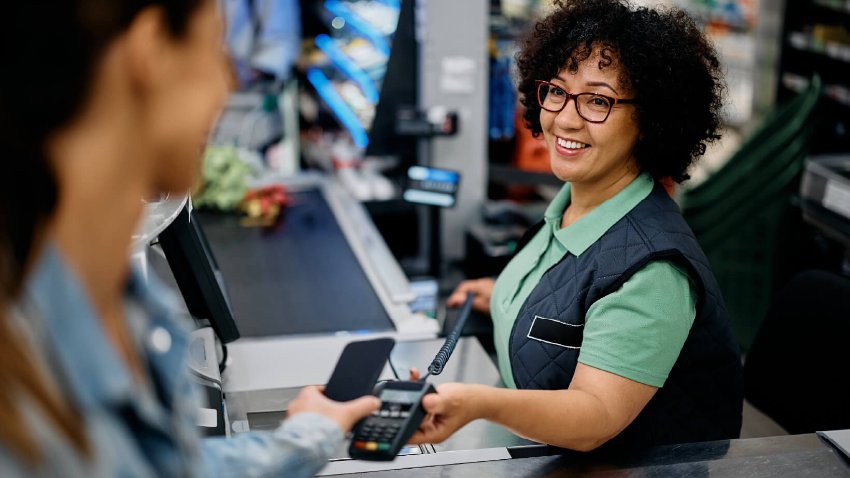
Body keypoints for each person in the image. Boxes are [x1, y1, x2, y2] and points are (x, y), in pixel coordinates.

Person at [0, 1, 378, 476]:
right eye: (214, 47)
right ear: (152, 48)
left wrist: (307, 437)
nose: (229, 84)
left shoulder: (124, 304)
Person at [411, 0, 743, 453]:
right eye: (557, 91)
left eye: (598, 100)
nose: (565, 118)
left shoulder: (653, 272)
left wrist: (477, 403)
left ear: (651, 119)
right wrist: (505, 294)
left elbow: (596, 415)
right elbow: (567, 298)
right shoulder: (569, 208)